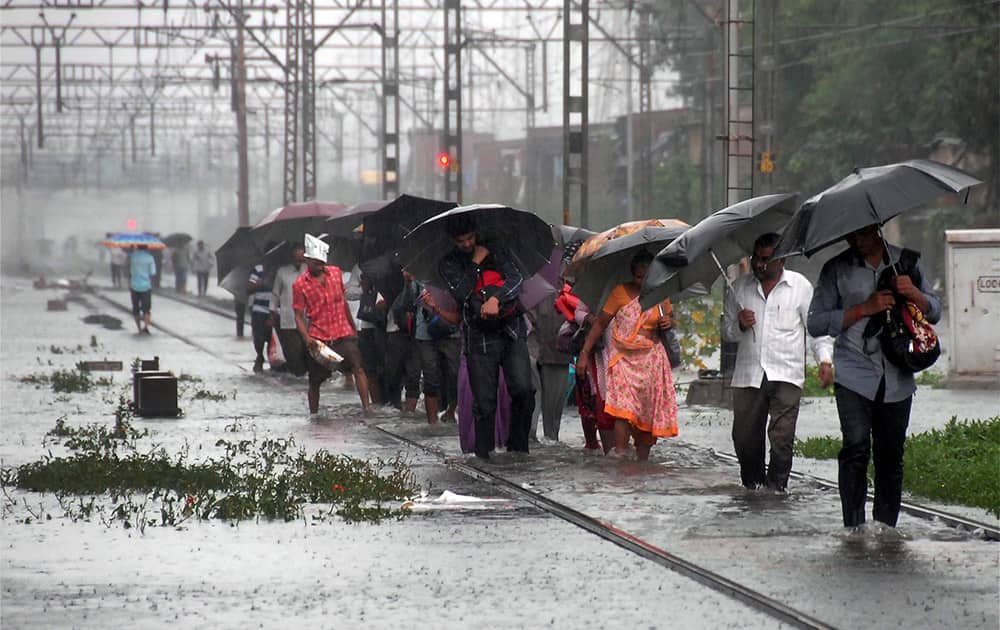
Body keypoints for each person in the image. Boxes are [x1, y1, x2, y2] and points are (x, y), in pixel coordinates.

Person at [808, 223, 941, 529]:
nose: (857, 240)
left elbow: (935, 311)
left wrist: (914, 294)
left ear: (877, 229)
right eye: (850, 235)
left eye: (863, 234)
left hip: (898, 375)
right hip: (853, 374)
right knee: (855, 446)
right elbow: (816, 322)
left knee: (890, 454)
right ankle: (853, 526)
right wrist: (863, 309)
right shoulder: (835, 269)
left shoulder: (907, 262)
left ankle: (886, 527)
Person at [722, 233, 834, 492]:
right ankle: (753, 487)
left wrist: (824, 360)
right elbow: (726, 332)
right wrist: (739, 324)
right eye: (756, 259)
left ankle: (777, 490)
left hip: (786, 374)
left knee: (782, 438)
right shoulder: (739, 289)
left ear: (781, 260)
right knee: (744, 438)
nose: (760, 265)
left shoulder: (801, 287)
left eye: (766, 260)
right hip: (748, 374)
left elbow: (816, 329)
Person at [438, 214, 535, 459]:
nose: (467, 244)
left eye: (470, 238)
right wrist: (475, 263)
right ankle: (484, 456)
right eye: (461, 241)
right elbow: (460, 293)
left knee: (524, 390)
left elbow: (516, 279)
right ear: (453, 241)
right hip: (479, 337)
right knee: (484, 403)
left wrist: (496, 298)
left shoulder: (497, 250)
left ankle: (518, 449)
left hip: (511, 331)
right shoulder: (448, 263)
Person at [576, 251, 678, 461]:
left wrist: (669, 321)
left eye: (648, 277)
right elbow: (601, 323)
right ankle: (620, 456)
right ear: (633, 274)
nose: (643, 282)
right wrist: (584, 353)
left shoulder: (661, 295)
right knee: (623, 411)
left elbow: (669, 318)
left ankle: (642, 462)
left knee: (646, 413)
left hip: (651, 361)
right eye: (639, 277)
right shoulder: (619, 293)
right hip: (624, 360)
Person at [293, 234, 371, 414]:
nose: (319, 266)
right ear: (307, 260)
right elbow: (298, 315)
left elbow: (343, 302)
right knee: (315, 381)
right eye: (315, 263)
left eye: (321, 263)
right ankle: (314, 414)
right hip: (319, 339)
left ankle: (367, 408)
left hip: (343, 334)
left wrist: (352, 328)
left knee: (358, 367)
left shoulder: (335, 274)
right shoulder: (300, 285)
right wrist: (306, 338)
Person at [527, 291, 573, 441]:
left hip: (559, 348)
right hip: (529, 346)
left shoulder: (571, 278)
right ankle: (528, 438)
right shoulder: (526, 278)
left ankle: (549, 440)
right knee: (528, 400)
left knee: (553, 425)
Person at [415, 283, 461, 425]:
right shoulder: (420, 273)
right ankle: (432, 423)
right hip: (425, 332)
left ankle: (450, 411)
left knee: (455, 374)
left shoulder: (457, 274)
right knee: (430, 377)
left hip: (451, 330)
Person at [383, 274, 422, 413]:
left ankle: (409, 412)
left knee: (413, 374)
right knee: (394, 373)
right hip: (396, 331)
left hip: (416, 334)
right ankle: (396, 407)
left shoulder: (421, 282)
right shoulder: (391, 280)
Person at [270, 243, 309, 376]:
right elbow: (275, 294)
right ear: (292, 256)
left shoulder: (310, 271)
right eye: (297, 257)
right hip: (288, 319)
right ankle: (297, 374)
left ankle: (307, 375)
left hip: (308, 319)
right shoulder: (282, 272)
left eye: (302, 258)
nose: (300, 261)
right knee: (293, 350)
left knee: (308, 350)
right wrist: (272, 312)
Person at [247, 262, 273, 373]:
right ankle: (259, 356)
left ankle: (274, 361)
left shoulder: (282, 270)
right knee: (259, 337)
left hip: (277, 310)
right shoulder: (258, 269)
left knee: (273, 339)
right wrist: (261, 283)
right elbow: (249, 287)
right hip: (259, 309)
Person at [128, 244, 157, 334]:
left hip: (134, 285)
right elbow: (153, 272)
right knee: (146, 309)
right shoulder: (150, 258)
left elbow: (130, 271)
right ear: (147, 248)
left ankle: (139, 329)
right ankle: (146, 326)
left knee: (136, 308)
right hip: (146, 286)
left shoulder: (133, 257)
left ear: (138, 247)